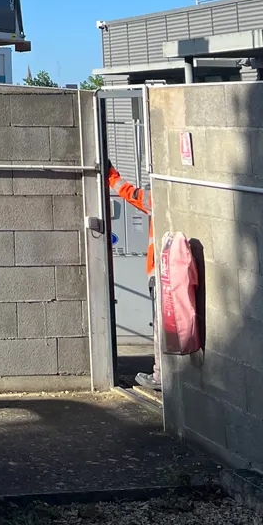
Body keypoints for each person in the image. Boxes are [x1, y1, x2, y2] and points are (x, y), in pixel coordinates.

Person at [107, 161, 160, 391]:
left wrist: (109, 173)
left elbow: (126, 191)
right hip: (180, 273)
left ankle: (160, 376)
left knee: (162, 328)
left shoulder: (154, 199)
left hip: (160, 274)